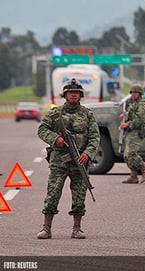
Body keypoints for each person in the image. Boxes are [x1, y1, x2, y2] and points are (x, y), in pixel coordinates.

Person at [37, 78, 100, 239]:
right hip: (59, 161)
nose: (73, 95)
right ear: (65, 95)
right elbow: (42, 129)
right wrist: (55, 138)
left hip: (80, 161)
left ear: (80, 96)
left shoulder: (88, 114)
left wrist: (87, 154)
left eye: (76, 93)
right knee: (53, 194)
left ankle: (77, 228)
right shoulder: (55, 113)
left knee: (79, 195)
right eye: (70, 93)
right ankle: (46, 228)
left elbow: (95, 137)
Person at [120, 83, 145, 184]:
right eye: (132, 92)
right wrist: (124, 116)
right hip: (130, 132)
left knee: (132, 153)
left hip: (136, 132)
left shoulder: (142, 105)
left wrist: (128, 124)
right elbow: (131, 114)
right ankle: (133, 176)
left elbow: (140, 120)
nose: (133, 94)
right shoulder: (133, 104)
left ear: (140, 93)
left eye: (135, 93)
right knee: (126, 155)